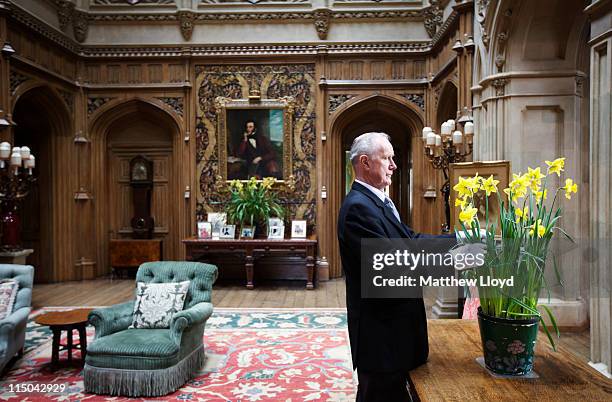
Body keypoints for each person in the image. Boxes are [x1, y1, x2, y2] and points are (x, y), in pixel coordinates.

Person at [337, 132, 454, 402]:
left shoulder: (378, 202)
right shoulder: (358, 208)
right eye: (387, 158)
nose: (394, 165)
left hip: (395, 335)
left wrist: (460, 241)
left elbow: (410, 240)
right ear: (365, 162)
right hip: (382, 340)